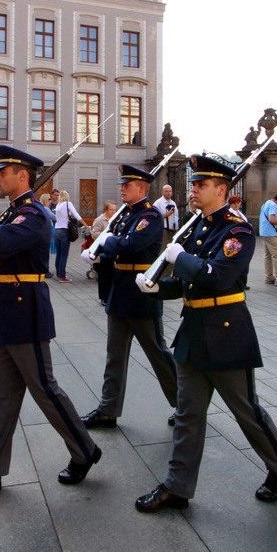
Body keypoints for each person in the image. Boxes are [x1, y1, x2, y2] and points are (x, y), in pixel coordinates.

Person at [134, 154, 277, 513]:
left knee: (246, 412)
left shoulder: (237, 231)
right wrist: (156, 290)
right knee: (188, 414)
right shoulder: (198, 227)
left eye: (201, 184)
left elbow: (214, 277)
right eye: (193, 184)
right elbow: (187, 284)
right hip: (193, 333)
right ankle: (177, 486)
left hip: (226, 333)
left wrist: (179, 258)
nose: (193, 190)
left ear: (222, 189)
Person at [0, 146, 101, 497]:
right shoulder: (17, 212)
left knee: (45, 389)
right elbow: (10, 261)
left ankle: (85, 450)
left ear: (23, 176)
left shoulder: (32, 214)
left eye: (4, 171)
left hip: (27, 312)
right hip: (7, 313)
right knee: (2, 397)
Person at [81, 164, 178, 430]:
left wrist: (107, 241)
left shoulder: (151, 216)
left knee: (158, 354)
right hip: (120, 291)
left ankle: (185, 405)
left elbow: (129, 244)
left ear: (142, 188)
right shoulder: (126, 215)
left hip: (140, 295)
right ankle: (108, 409)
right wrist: (101, 249)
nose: (122, 188)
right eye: (122, 185)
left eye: (128, 185)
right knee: (115, 356)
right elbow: (117, 244)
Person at [54, 191, 89, 282]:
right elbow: (77, 215)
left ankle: (58, 273)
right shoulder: (68, 204)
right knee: (64, 254)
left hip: (56, 230)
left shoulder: (58, 205)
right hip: (64, 231)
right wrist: (86, 225)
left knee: (59, 253)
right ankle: (62, 276)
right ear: (67, 196)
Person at [90, 200, 118, 305]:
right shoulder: (99, 220)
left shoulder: (117, 219)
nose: (113, 212)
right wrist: (106, 235)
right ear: (106, 209)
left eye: (115, 210)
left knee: (112, 274)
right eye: (111, 210)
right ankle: (104, 297)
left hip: (113, 250)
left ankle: (112, 296)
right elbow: (94, 234)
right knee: (104, 275)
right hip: (103, 250)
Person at [228, 195, 250, 289]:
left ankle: (243, 282)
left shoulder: (239, 213)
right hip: (236, 240)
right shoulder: (230, 213)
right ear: (231, 204)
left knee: (245, 263)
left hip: (244, 240)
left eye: (238, 203)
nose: (237, 205)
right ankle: (237, 282)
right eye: (235, 203)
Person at [153, 184, 179, 251]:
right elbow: (154, 217)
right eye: (166, 191)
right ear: (162, 192)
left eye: (170, 191)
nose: (168, 193)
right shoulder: (158, 203)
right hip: (164, 231)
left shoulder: (173, 203)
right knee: (163, 250)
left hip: (174, 231)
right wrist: (167, 214)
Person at [39, 192, 56, 278]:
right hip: (47, 232)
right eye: (49, 199)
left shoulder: (41, 208)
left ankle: (43, 269)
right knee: (46, 252)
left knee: (44, 252)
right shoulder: (46, 209)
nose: (51, 200)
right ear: (46, 200)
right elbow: (54, 217)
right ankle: (45, 270)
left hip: (43, 231)